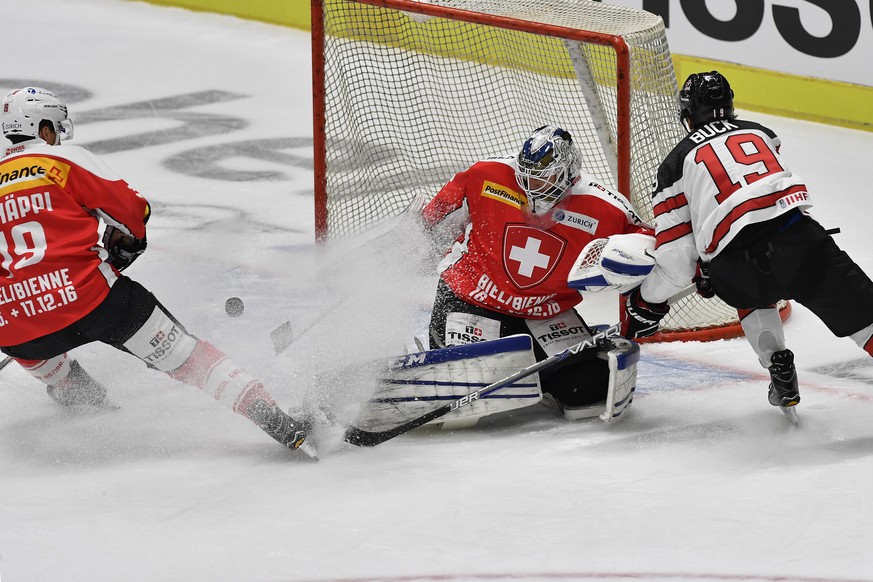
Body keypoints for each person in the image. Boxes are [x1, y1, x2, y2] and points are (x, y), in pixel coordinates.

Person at [0, 87, 312, 454]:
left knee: (18, 330)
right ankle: (275, 420)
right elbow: (133, 210)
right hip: (95, 302)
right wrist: (127, 243)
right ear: (44, 128)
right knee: (188, 357)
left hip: (15, 324)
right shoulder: (62, 161)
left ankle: (72, 388)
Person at [621, 71, 873, 415]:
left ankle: (776, 361)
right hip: (799, 243)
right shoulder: (763, 134)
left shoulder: (674, 165)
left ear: (687, 114)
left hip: (736, 271)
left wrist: (646, 302)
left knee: (743, 278)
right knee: (867, 321)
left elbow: (678, 259)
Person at [421, 125, 650, 419]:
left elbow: (648, 244)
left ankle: (537, 376)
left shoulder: (607, 208)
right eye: (527, 177)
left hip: (544, 314)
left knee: (590, 392)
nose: (534, 187)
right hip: (470, 299)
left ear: (570, 171)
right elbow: (430, 221)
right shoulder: (485, 175)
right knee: (462, 394)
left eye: (546, 178)